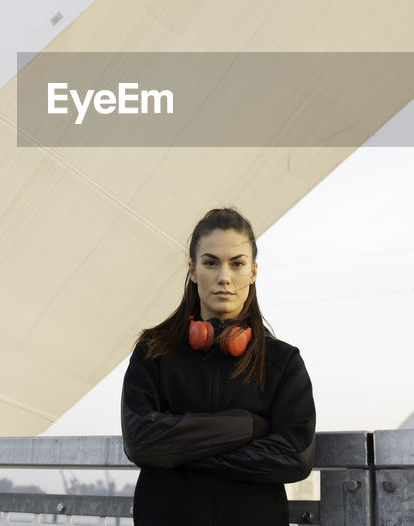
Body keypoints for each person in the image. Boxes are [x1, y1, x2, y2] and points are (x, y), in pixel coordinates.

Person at [121, 206, 316, 526]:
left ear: (252, 272)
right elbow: (140, 441)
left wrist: (177, 453)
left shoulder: (283, 362)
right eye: (211, 262)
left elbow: (295, 458)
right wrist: (248, 427)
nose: (224, 277)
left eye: (236, 263)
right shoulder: (153, 352)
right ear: (193, 270)